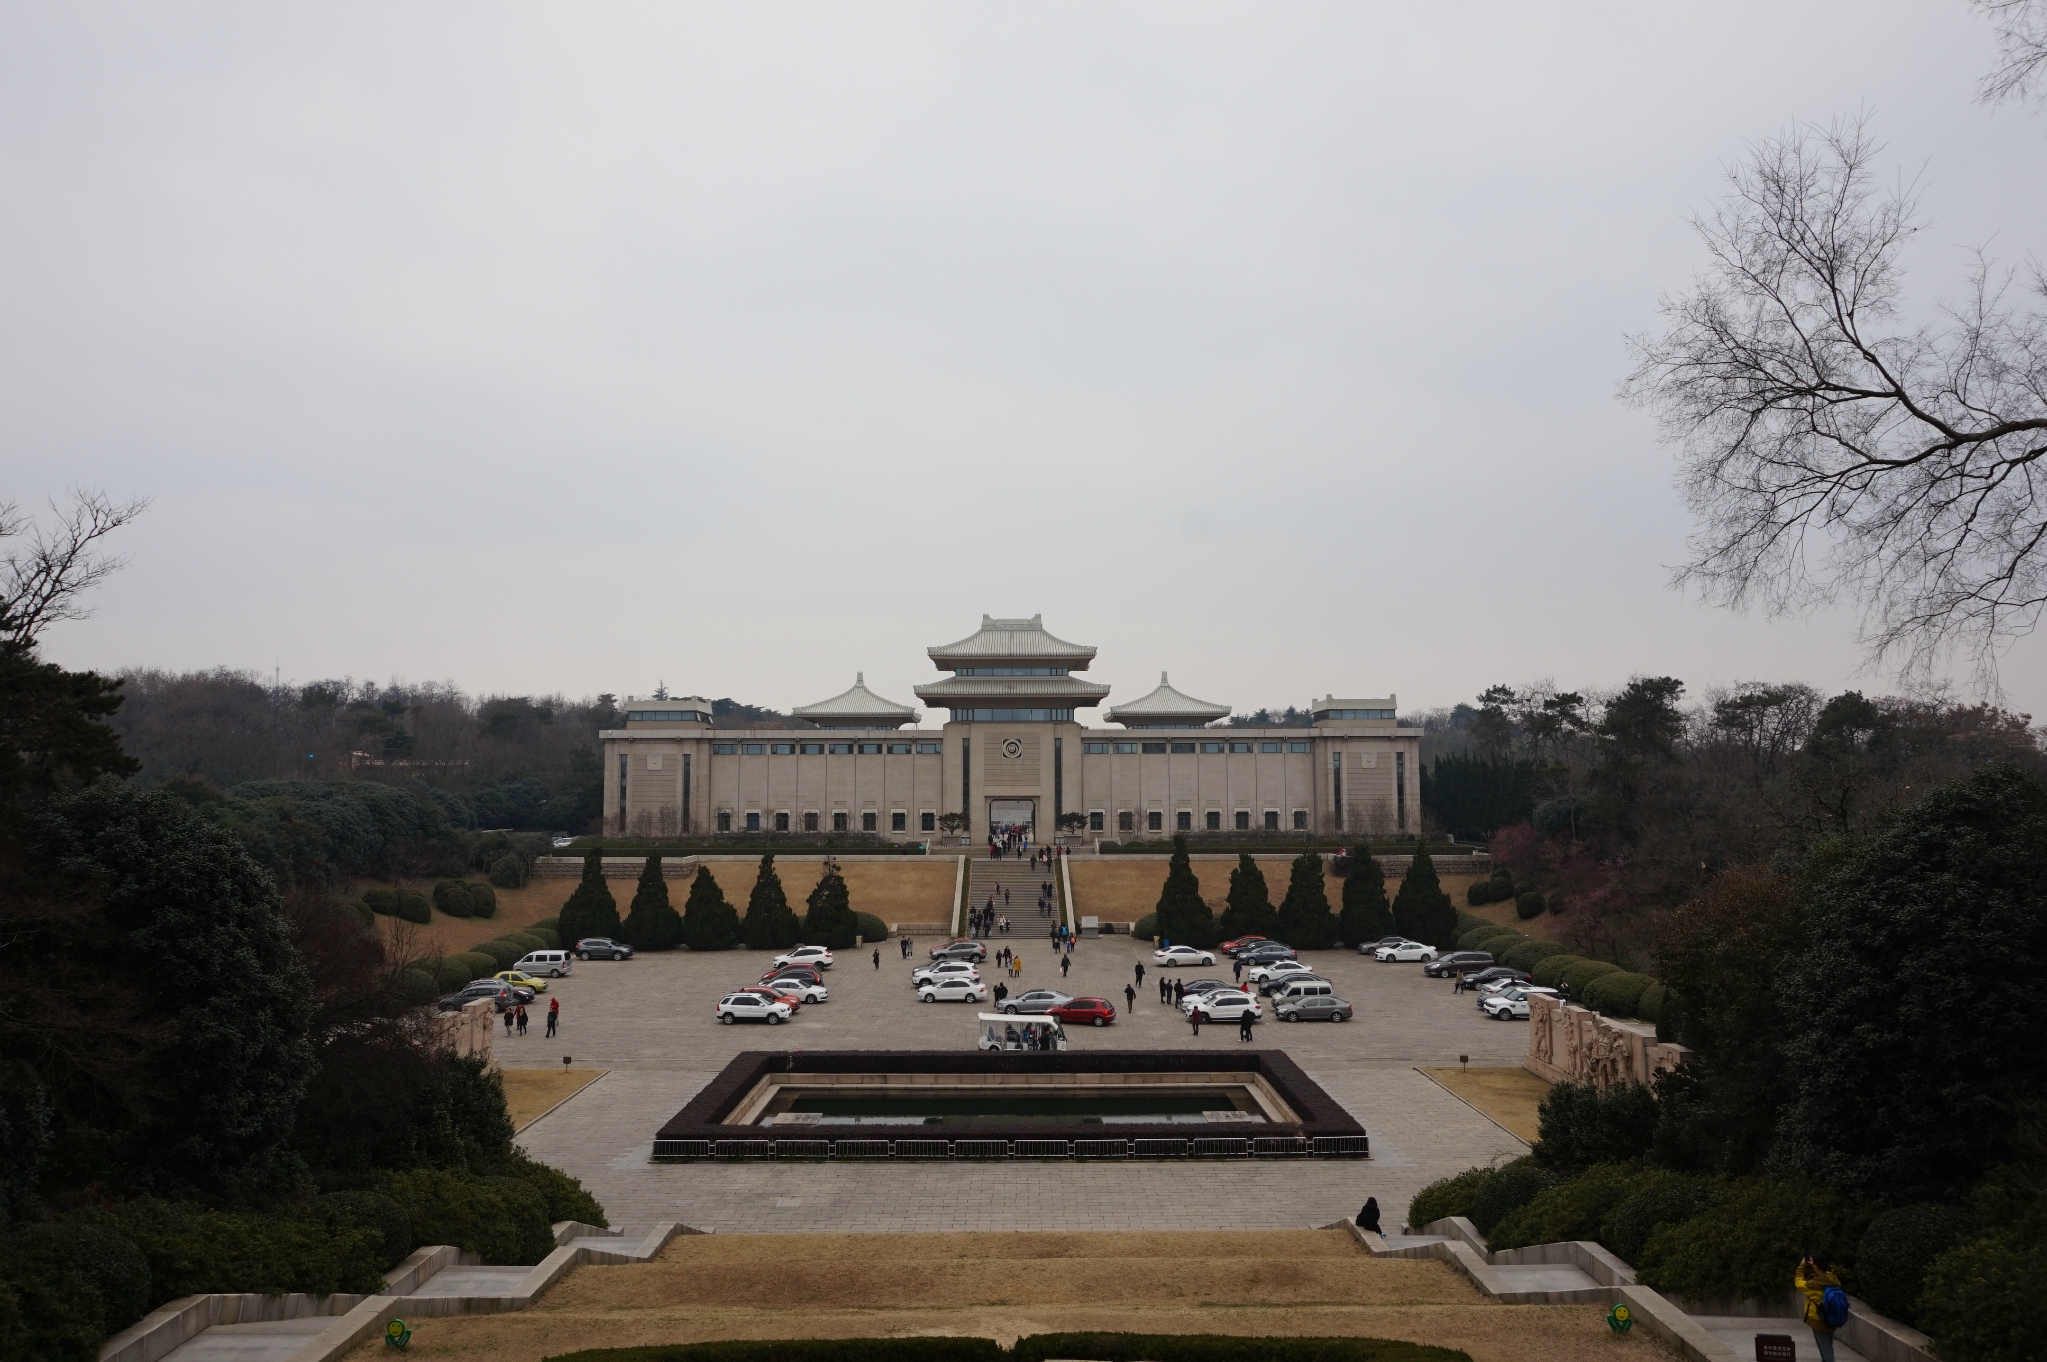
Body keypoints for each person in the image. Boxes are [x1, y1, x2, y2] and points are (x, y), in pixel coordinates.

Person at [1798, 1254, 1843, 1362]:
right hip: (1832, 1316)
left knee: (1825, 1349)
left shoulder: (1813, 1285)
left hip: (1819, 1319)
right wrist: (1815, 1266)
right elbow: (1822, 1275)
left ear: (1816, 1267)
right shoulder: (1832, 1278)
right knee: (1828, 1345)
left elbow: (1798, 1282)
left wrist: (1801, 1267)